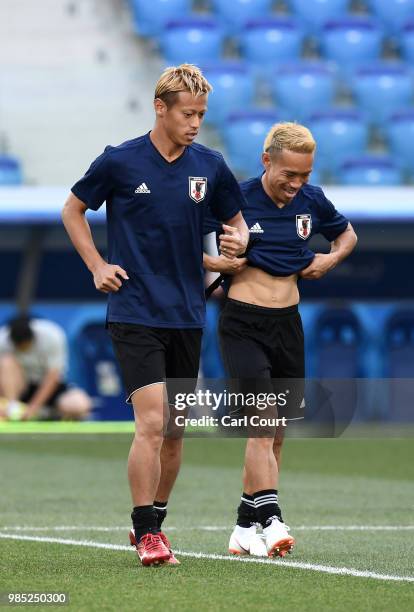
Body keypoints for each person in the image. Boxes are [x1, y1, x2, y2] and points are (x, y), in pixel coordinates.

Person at [62, 64, 249, 567]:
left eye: (202, 115)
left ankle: (153, 522)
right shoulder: (120, 161)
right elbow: (73, 209)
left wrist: (238, 241)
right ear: (160, 108)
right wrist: (97, 265)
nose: (195, 123)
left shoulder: (210, 165)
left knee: (175, 430)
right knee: (152, 420)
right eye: (188, 113)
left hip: (188, 313)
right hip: (134, 310)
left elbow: (237, 222)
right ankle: (147, 531)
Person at [204, 122, 357, 558]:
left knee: (277, 434)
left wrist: (329, 261)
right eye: (289, 174)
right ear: (266, 160)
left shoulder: (311, 199)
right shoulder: (236, 199)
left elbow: (347, 234)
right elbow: (179, 237)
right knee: (262, 424)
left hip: (288, 323)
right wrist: (218, 261)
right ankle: (271, 518)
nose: (296, 184)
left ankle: (243, 526)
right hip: (243, 323)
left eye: (304, 175)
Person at [0, 315, 91, 421]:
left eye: (25, 346)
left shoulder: (52, 335)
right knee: (6, 362)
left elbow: (53, 376)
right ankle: (12, 407)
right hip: (21, 388)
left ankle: (46, 414)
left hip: (50, 390)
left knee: (79, 405)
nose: (23, 350)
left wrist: (33, 408)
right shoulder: (2, 339)